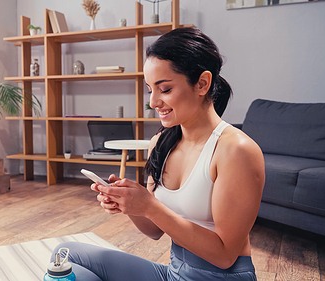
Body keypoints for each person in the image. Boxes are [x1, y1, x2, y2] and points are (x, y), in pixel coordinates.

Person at [50, 26, 265, 281]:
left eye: (164, 89)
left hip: (220, 277)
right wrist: (129, 204)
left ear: (202, 83)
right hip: (174, 274)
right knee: (65, 255)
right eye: (150, 88)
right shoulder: (161, 143)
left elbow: (224, 255)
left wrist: (151, 207)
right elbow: (154, 230)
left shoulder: (236, 150)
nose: (153, 102)